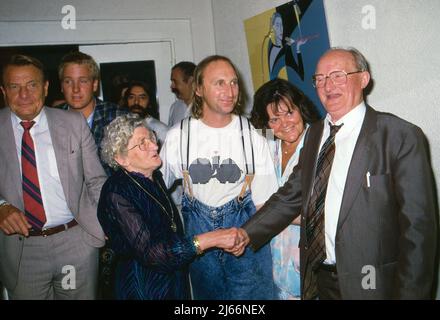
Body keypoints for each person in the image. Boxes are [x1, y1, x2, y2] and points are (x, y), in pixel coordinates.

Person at [236, 47, 437, 299]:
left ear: (363, 79)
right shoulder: (314, 134)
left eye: (338, 75)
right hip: (318, 281)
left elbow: (418, 231)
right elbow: (291, 195)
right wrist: (245, 233)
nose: (328, 85)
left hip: (373, 284)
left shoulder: (399, 135)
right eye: (320, 79)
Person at [160, 55, 278, 300]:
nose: (229, 91)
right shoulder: (178, 136)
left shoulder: (253, 136)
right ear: (199, 89)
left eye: (234, 82)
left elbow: (264, 204)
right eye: (220, 83)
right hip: (200, 249)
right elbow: (155, 192)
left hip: (245, 246)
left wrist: (246, 236)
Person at [97, 114, 241, 299]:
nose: (155, 146)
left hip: (172, 279)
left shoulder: (153, 177)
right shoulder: (117, 191)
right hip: (143, 286)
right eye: (143, 143)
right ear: (121, 158)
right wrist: (209, 239)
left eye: (151, 137)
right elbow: (152, 254)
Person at [0, 54, 107, 299]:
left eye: (32, 85)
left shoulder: (72, 123)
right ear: (4, 91)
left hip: (75, 241)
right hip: (21, 249)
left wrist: (102, 222)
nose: (24, 95)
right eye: (15, 87)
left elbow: (96, 180)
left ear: (46, 87)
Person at [250, 78, 320, 299]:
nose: (284, 124)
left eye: (290, 113)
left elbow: (325, 211)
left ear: (301, 109)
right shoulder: (266, 148)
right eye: (274, 119)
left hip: (310, 268)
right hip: (273, 267)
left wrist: (270, 213)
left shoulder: (321, 145)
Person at [55, 51, 128, 176]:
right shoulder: (52, 120)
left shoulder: (118, 118)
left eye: (83, 81)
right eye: (68, 81)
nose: (75, 89)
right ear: (62, 86)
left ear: (95, 85)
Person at [122, 80, 168, 146]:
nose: (136, 102)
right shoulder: (121, 128)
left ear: (150, 102)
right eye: (131, 97)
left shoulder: (160, 130)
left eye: (142, 98)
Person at [268, 12, 307, 81]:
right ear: (272, 27)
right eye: (277, 25)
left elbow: (301, 76)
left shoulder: (286, 50)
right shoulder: (270, 47)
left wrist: (297, 48)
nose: (280, 29)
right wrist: (288, 46)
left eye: (281, 25)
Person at [168, 61, 196, 127]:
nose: (172, 86)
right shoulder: (175, 107)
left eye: (175, 81)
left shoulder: (206, 108)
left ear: (190, 80)